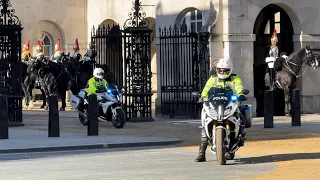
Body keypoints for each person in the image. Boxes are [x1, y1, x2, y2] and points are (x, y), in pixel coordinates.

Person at [194, 58, 247, 162]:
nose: (222, 72)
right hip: (215, 105)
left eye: (225, 70)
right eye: (220, 70)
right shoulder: (213, 79)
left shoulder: (235, 78)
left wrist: (240, 94)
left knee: (242, 118)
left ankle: (241, 136)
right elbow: (206, 89)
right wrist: (202, 96)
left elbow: (239, 87)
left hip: (230, 104)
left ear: (230, 70)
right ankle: (201, 153)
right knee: (205, 123)